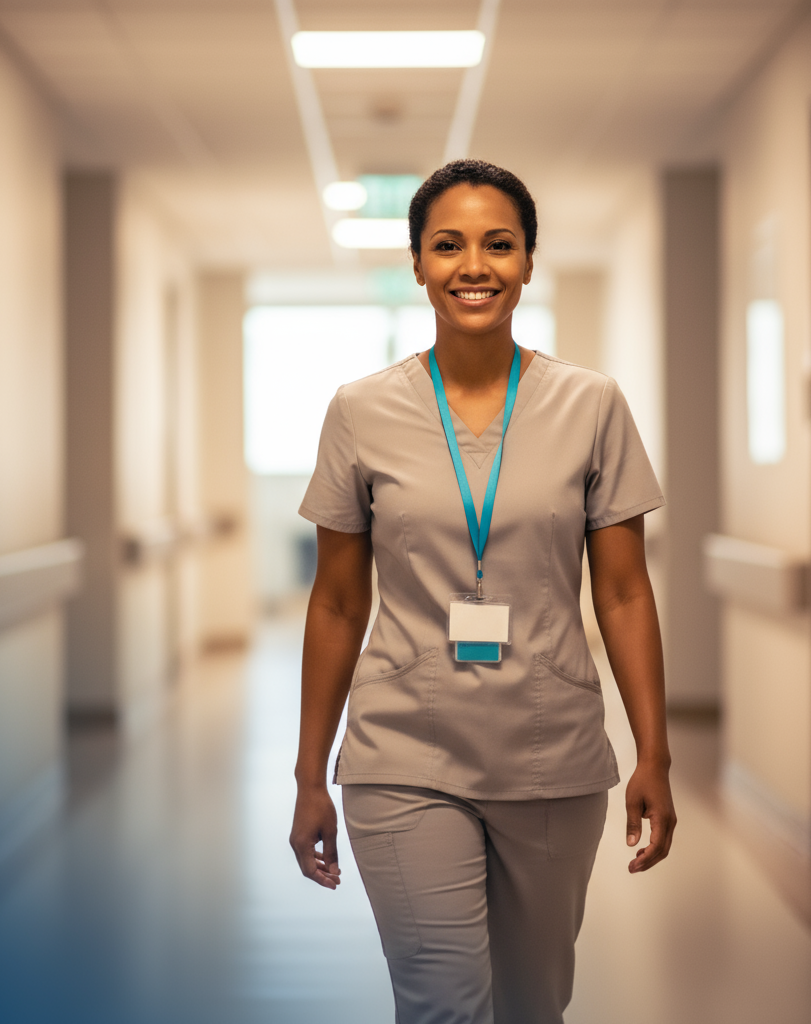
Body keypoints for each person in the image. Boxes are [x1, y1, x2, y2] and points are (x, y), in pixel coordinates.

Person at [289, 159, 677, 1024]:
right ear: (418, 264)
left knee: (534, 1005)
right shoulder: (360, 411)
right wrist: (311, 771)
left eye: (499, 244)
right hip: (403, 755)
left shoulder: (592, 405)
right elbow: (338, 603)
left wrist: (654, 751)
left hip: (550, 754)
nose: (475, 265)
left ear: (529, 261)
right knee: (443, 1008)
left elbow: (622, 593)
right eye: (449, 245)